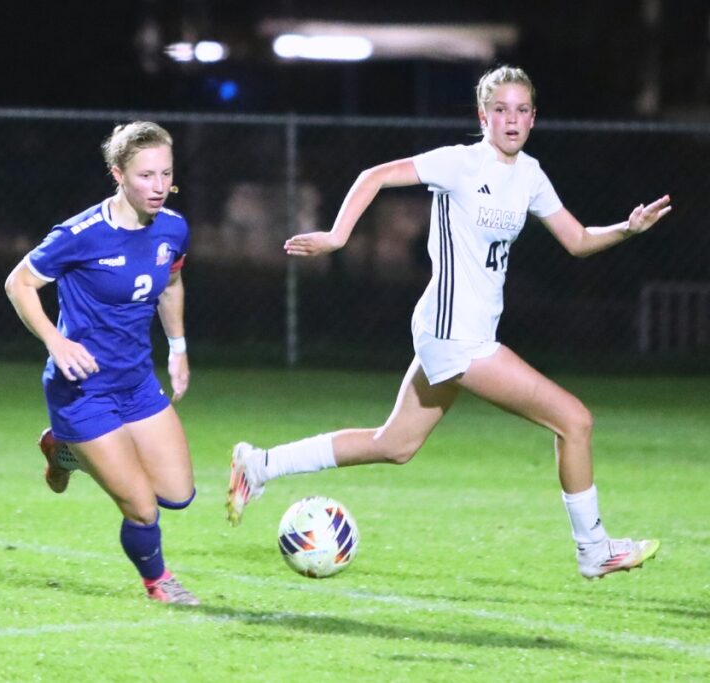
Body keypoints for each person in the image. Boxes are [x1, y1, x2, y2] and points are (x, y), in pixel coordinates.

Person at [226, 65, 670, 580]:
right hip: (453, 332)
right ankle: (593, 549)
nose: (511, 119)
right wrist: (338, 235)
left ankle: (260, 465)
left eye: (522, 109)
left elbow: (576, 240)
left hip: (468, 332)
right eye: (500, 109)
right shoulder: (458, 164)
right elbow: (375, 176)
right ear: (483, 116)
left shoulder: (529, 174)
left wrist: (627, 229)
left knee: (394, 445)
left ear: (533, 117)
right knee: (574, 420)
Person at [5, 121, 199, 605]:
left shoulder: (173, 228)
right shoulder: (80, 234)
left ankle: (66, 452)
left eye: (166, 175)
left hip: (136, 383)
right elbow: (18, 283)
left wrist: (177, 348)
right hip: (82, 388)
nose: (158, 187)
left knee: (178, 494)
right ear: (118, 174)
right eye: (145, 175)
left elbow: (171, 286)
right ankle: (159, 581)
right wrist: (55, 341)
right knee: (142, 509)